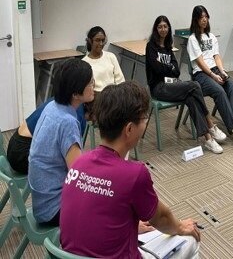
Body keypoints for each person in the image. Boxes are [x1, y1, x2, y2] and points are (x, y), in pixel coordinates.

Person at [60, 81, 200, 258]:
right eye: (143, 119)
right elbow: (162, 219)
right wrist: (180, 226)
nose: (145, 123)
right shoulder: (134, 174)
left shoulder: (79, 162)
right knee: (190, 240)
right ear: (129, 129)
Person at [28, 58, 95, 225]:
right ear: (75, 93)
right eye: (90, 82)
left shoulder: (53, 106)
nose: (94, 84)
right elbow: (78, 175)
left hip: (42, 202)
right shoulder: (68, 121)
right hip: (53, 209)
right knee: (110, 196)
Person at [145, 15, 225, 154]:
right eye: (160, 27)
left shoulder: (169, 47)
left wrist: (167, 68)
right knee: (194, 85)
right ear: (156, 29)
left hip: (172, 84)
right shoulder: (151, 47)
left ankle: (208, 140)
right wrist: (168, 68)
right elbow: (157, 69)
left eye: (165, 26)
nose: (163, 29)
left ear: (168, 28)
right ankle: (210, 124)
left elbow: (176, 71)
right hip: (158, 88)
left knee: (192, 98)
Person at [187, 5, 233, 138]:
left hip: (215, 70)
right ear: (196, 20)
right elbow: (200, 62)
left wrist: (222, 71)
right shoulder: (192, 39)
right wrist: (212, 75)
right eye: (201, 17)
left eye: (206, 17)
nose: (204, 20)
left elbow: (216, 56)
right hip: (201, 74)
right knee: (219, 90)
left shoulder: (211, 36)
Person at [6, 98, 86, 175]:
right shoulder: (76, 115)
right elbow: (74, 163)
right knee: (71, 166)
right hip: (22, 154)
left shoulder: (62, 99)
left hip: (14, 145)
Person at [82, 26, 125, 92]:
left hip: (114, 96)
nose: (101, 44)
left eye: (103, 40)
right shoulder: (84, 63)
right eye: (97, 40)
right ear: (90, 41)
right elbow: (87, 90)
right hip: (96, 98)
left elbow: (120, 80)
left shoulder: (111, 56)